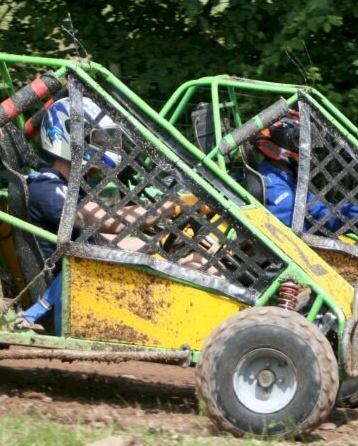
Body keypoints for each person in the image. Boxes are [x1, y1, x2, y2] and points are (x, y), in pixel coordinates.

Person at [16, 96, 214, 333]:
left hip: (89, 276)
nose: (105, 144)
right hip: (78, 287)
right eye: (97, 138)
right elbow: (108, 220)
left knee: (193, 261)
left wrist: (157, 245)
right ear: (69, 137)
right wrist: (173, 206)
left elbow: (101, 234)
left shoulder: (69, 188)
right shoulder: (48, 190)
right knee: (199, 267)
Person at [253, 112, 358, 262]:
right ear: (278, 148)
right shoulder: (275, 187)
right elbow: (317, 222)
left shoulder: (284, 176)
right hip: (308, 254)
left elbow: (318, 210)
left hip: (317, 243)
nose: (308, 151)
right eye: (300, 143)